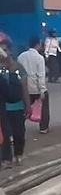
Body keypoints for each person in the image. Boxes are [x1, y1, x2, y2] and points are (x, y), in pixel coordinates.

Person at [0, 37, 30, 166]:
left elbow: (24, 87)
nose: (2, 52)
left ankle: (18, 153)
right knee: (5, 134)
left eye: (4, 50)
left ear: (10, 51)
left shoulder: (18, 68)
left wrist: (28, 106)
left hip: (17, 107)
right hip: (3, 108)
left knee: (19, 134)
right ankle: (6, 158)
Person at [18, 36, 50, 133]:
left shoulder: (21, 56)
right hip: (35, 87)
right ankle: (43, 127)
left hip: (23, 88)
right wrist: (42, 90)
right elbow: (41, 75)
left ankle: (19, 126)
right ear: (38, 44)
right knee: (44, 106)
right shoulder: (39, 58)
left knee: (23, 108)